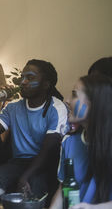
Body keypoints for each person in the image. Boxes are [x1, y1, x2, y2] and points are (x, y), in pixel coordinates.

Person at [0, 59, 68, 200]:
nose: (23, 82)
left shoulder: (56, 108)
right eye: (22, 77)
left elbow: (48, 151)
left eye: (30, 78)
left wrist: (25, 177)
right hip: (18, 163)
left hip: (45, 164)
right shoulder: (13, 107)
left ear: (46, 84)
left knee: (34, 185)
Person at [49, 75, 112, 209]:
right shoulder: (69, 142)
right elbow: (63, 189)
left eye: (74, 95)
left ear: (94, 103)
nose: (67, 100)